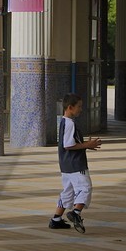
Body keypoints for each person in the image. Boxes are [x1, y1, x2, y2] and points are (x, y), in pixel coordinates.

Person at [50, 93, 103, 233]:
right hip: (75, 164)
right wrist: (87, 145)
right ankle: (76, 213)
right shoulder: (70, 123)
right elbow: (68, 145)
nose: (81, 109)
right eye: (79, 107)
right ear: (70, 107)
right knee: (85, 188)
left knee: (68, 192)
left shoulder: (63, 122)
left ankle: (56, 220)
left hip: (66, 164)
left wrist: (87, 145)